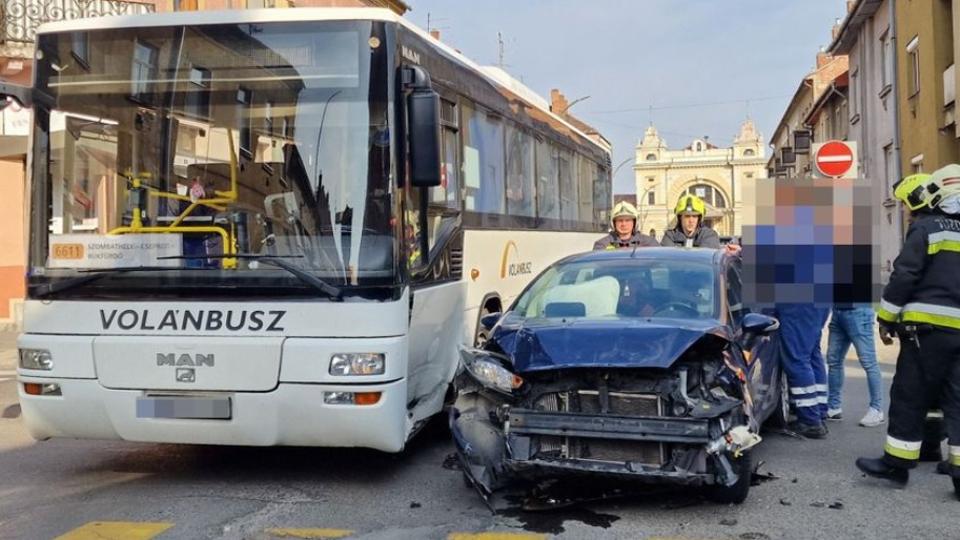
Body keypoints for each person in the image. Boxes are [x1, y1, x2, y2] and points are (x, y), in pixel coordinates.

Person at [856, 166, 960, 496]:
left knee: (909, 395)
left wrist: (885, 318)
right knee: (956, 399)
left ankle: (896, 465)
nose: (903, 210)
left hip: (926, 332)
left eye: (904, 204)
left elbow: (904, 276)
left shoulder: (927, 229)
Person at [825, 303, 885, 427]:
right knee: (833, 360)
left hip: (858, 311)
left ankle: (876, 409)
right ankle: (833, 407)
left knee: (869, 362)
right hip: (838, 311)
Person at [593, 201, 659, 250]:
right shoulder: (602, 245)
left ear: (635, 222)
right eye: (620, 220)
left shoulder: (650, 243)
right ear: (613, 223)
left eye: (627, 220)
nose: (624, 224)